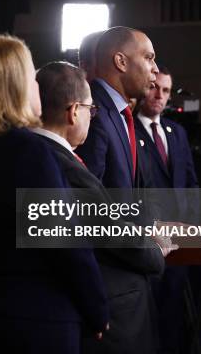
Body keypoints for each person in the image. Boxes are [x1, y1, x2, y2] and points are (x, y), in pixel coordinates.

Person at [0, 34, 108, 354]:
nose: (39, 85)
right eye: (32, 75)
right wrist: (97, 310)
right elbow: (64, 245)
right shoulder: (29, 151)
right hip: (38, 323)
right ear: (15, 86)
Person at [34, 61, 166, 354]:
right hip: (104, 317)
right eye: (91, 110)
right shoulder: (58, 164)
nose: (92, 118)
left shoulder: (36, 155)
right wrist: (157, 249)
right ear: (74, 111)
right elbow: (105, 229)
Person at [75, 26, 166, 353]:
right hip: (111, 294)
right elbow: (87, 213)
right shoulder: (93, 114)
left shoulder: (121, 114)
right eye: (149, 57)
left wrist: (156, 226)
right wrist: (151, 248)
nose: (156, 68)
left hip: (129, 288)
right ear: (121, 61)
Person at [135, 66, 199, 354]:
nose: (159, 95)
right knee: (148, 324)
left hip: (181, 243)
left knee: (174, 321)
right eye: (154, 88)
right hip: (148, 244)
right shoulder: (129, 130)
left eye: (166, 90)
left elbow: (190, 184)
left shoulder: (177, 132)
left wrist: (191, 225)